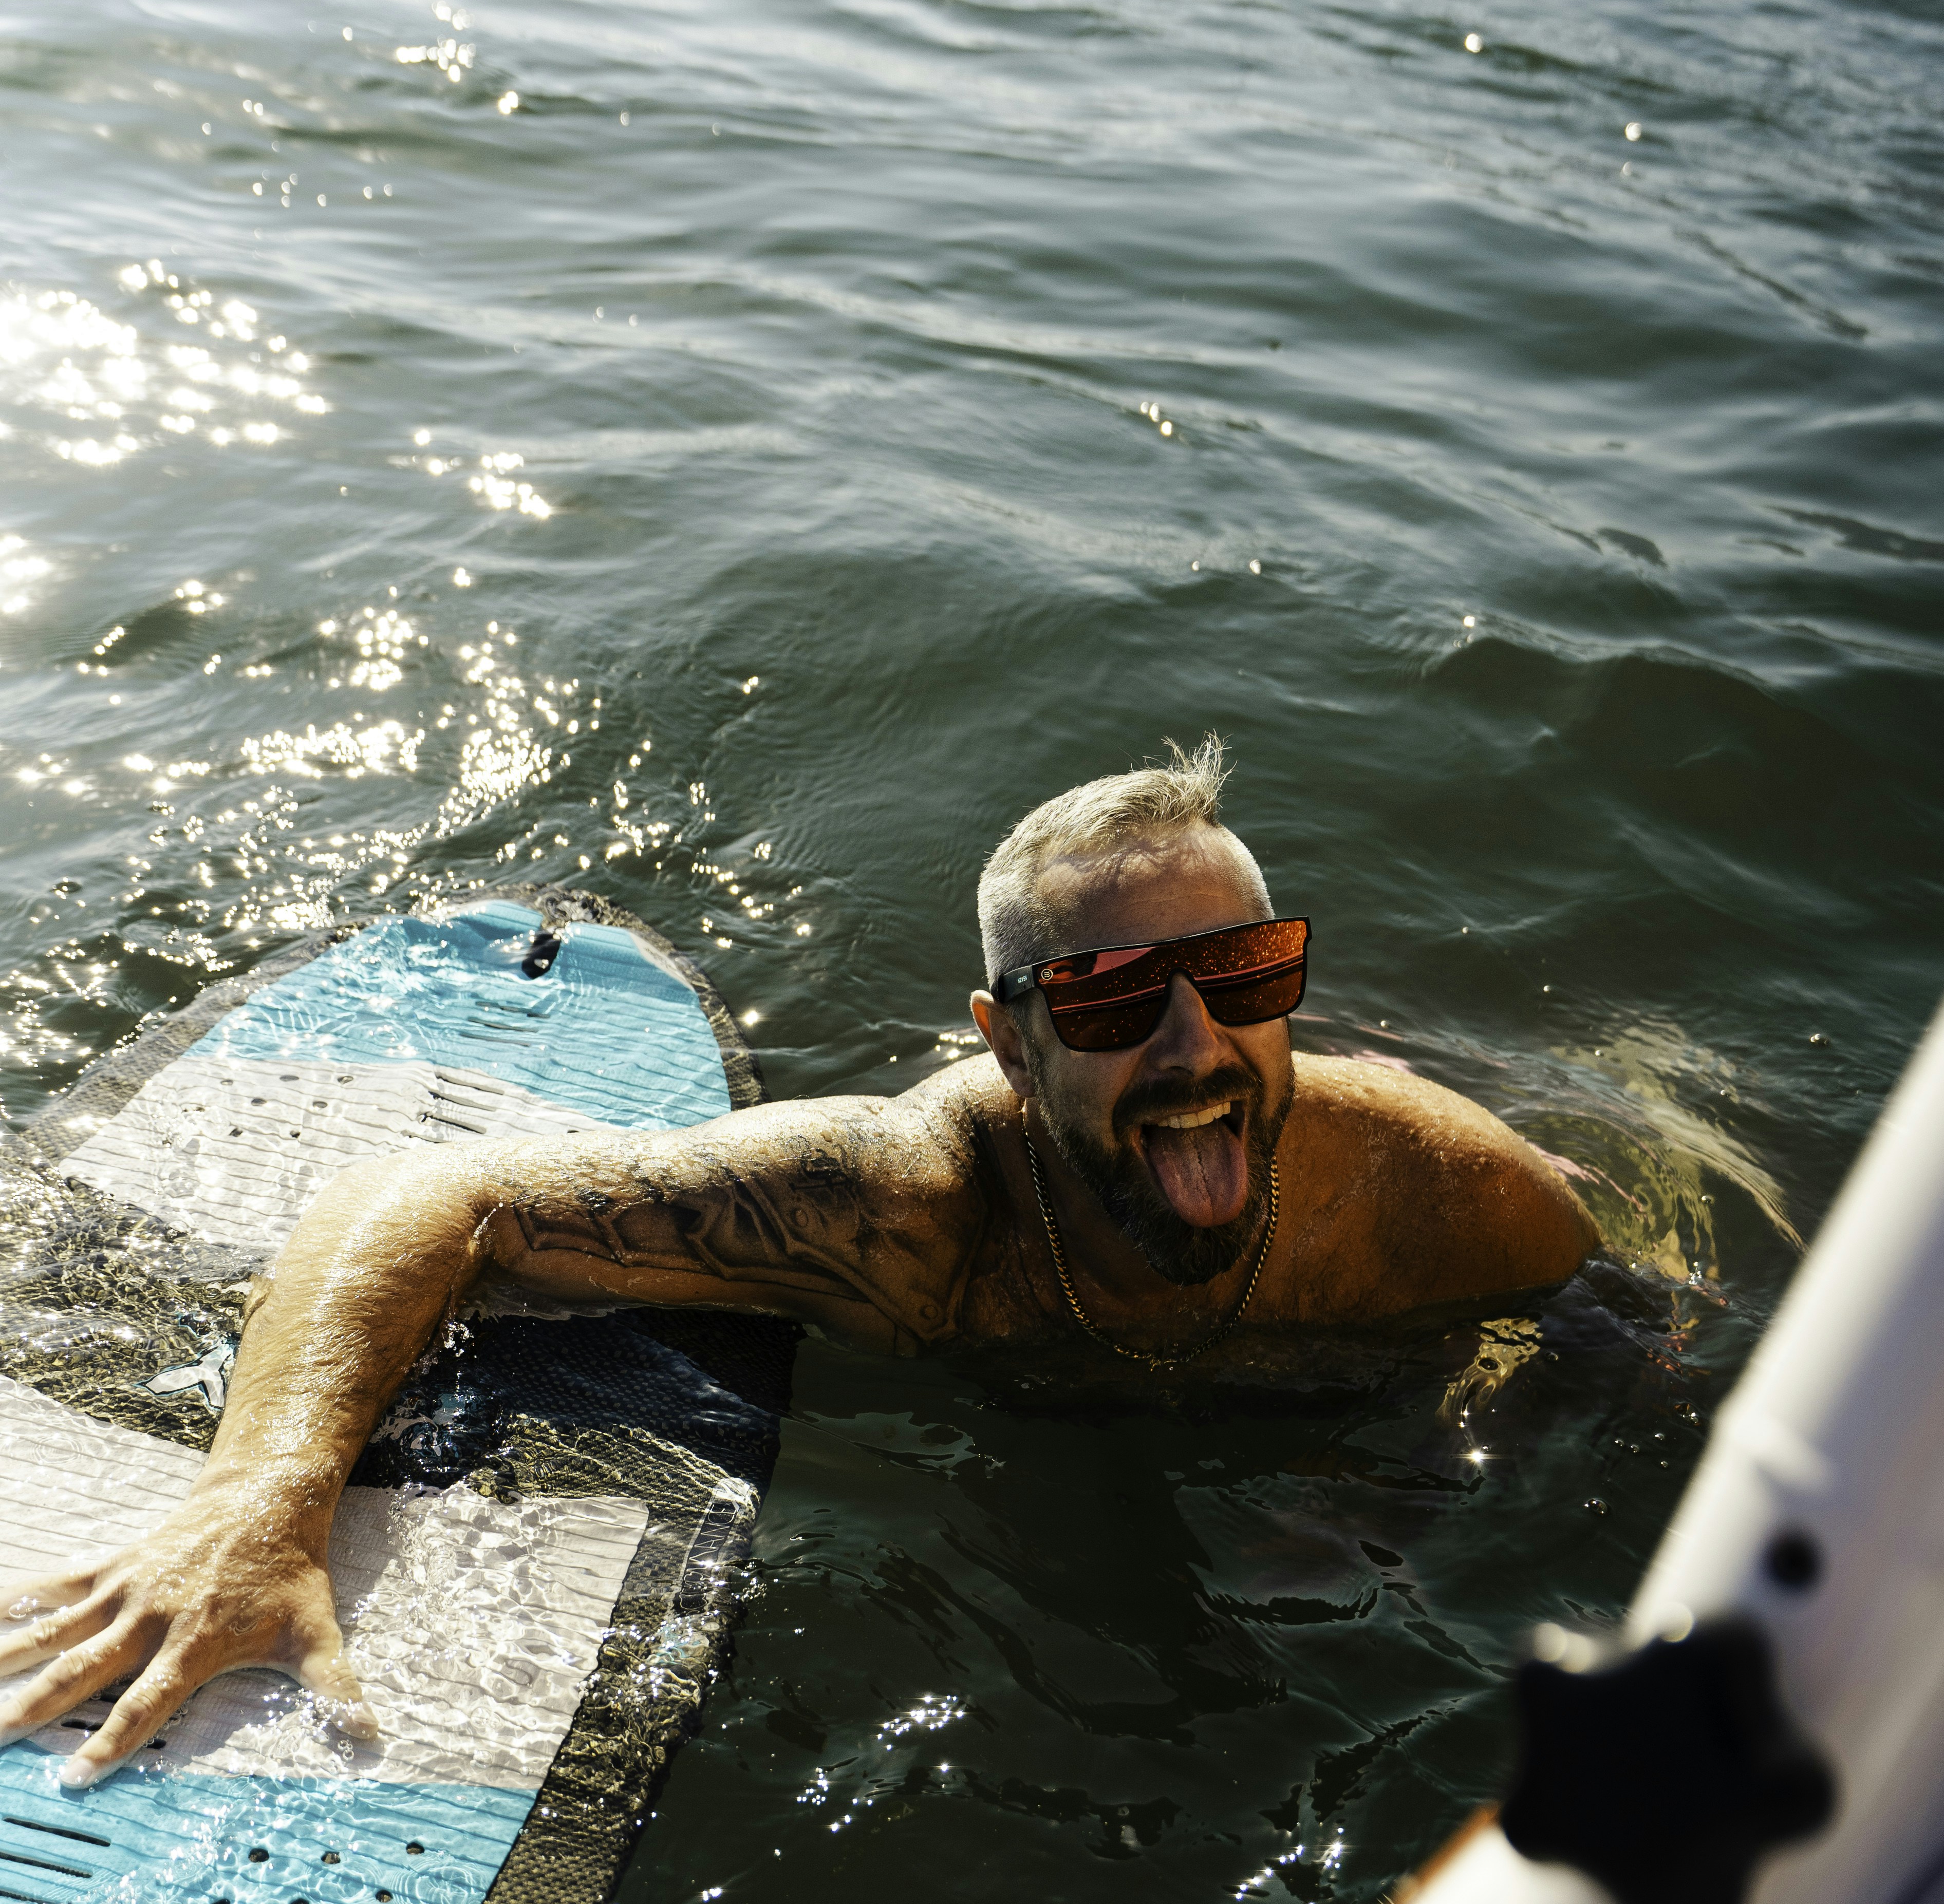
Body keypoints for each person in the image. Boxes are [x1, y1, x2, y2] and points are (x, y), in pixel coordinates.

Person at [0, 739, 1593, 1782]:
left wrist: (1416, 1486)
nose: (1194, 1042)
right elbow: (419, 1203)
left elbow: (1613, 1330)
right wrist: (263, 1503)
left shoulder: (1447, 1198)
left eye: (1243, 972)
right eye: (1110, 999)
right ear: (1010, 1045)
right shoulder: (904, 1209)